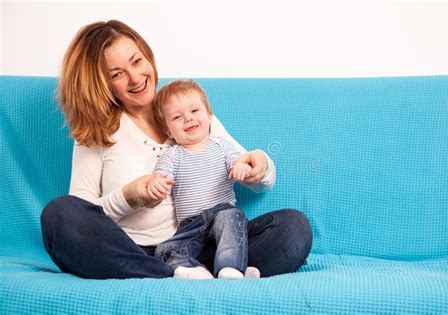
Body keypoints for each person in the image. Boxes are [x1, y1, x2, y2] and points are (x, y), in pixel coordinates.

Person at [40, 19, 313, 280]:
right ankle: (170, 273)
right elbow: (81, 212)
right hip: (135, 251)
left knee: (294, 227)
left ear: (148, 56)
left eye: (137, 61)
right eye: (117, 74)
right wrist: (129, 197)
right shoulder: (96, 132)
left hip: (208, 245)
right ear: (101, 84)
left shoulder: (188, 111)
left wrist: (260, 166)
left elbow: (254, 175)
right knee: (59, 215)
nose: (136, 78)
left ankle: (216, 269)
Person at [148, 79, 258, 280]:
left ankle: (231, 268)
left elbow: (237, 162)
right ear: (167, 130)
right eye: (177, 117)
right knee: (163, 249)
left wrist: (242, 167)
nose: (187, 119)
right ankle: (196, 270)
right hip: (190, 225)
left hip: (222, 213)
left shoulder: (221, 146)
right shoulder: (173, 154)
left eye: (194, 111)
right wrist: (156, 182)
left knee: (234, 218)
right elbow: (161, 175)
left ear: (209, 116)